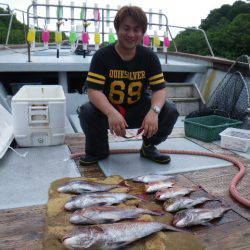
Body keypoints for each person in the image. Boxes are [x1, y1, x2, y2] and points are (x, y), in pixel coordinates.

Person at [78, 5, 179, 166]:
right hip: (110, 109)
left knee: (170, 110)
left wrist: (154, 112)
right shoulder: (102, 56)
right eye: (126, 28)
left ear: (142, 33)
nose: (131, 34)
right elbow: (93, 90)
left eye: (136, 30)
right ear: (117, 29)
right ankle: (98, 150)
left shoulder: (149, 57)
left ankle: (148, 146)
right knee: (87, 111)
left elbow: (159, 90)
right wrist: (111, 112)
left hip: (138, 107)